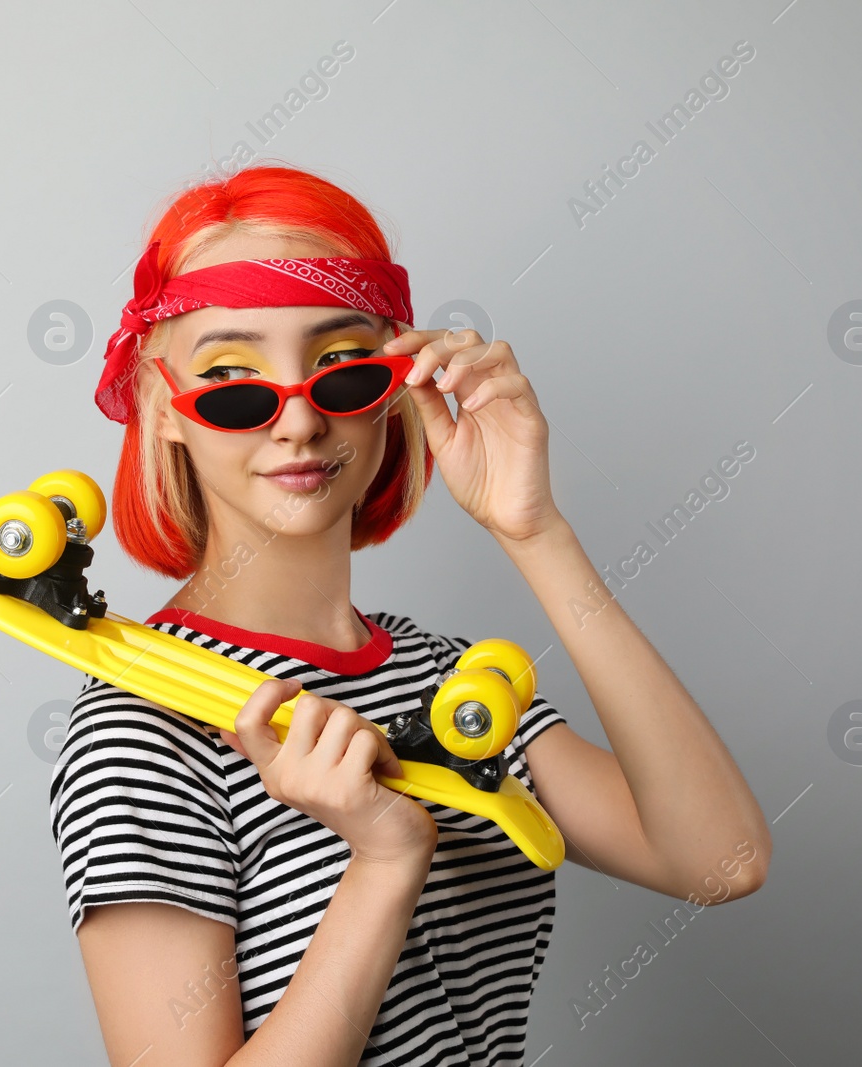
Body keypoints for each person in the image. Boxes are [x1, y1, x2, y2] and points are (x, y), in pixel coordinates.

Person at [48, 163, 771, 1066]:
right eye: (232, 380)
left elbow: (721, 859)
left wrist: (533, 529)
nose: (300, 421)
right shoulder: (143, 720)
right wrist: (386, 861)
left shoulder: (444, 678)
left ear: (395, 384)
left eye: (341, 370)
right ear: (163, 408)